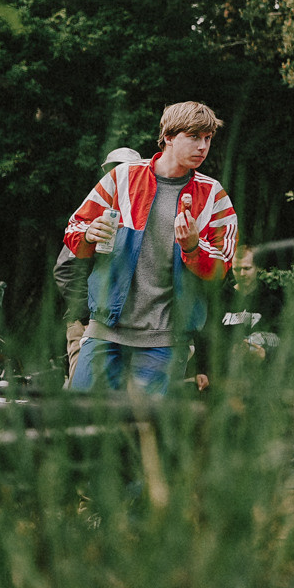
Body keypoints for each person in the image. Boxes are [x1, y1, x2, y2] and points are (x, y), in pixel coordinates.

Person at [64, 104, 239, 395]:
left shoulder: (213, 195)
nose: (203, 146)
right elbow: (74, 228)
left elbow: (223, 266)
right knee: (82, 417)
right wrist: (89, 234)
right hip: (106, 330)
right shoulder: (122, 177)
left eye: (208, 138)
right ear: (168, 137)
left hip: (166, 341)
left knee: (144, 422)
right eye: (194, 136)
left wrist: (193, 247)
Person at [56, 146, 146, 362]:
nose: (121, 176)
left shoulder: (141, 219)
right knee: (83, 379)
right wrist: (88, 313)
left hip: (131, 325)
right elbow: (65, 269)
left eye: (128, 170)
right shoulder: (95, 214)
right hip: (89, 321)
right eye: (115, 170)